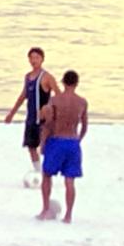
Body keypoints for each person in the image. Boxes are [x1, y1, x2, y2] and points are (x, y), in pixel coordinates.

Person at [5, 47, 61, 185]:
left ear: (42, 59)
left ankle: (49, 172)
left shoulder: (47, 77)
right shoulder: (28, 77)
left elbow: (58, 95)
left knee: (45, 146)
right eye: (31, 58)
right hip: (31, 117)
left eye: (36, 57)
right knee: (31, 146)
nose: (33, 60)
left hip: (43, 119)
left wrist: (49, 108)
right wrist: (12, 113)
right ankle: (39, 172)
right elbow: (23, 95)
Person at [37, 70, 87, 224]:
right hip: (72, 142)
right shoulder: (82, 102)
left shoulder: (55, 100)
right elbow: (85, 126)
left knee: (47, 175)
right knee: (70, 181)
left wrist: (43, 143)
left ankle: (46, 209)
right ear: (76, 83)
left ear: (63, 82)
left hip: (57, 140)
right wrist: (78, 140)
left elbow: (48, 124)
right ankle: (68, 215)